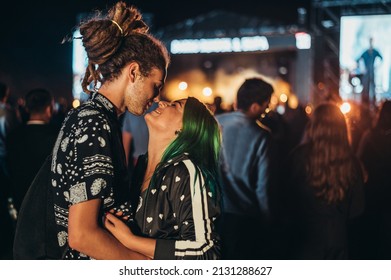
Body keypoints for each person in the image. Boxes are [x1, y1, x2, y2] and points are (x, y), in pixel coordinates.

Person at [49, 1, 170, 259]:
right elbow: (82, 235)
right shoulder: (95, 123)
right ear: (134, 72)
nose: (158, 97)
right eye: (156, 85)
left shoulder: (98, 117)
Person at [104, 96, 222, 260]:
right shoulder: (142, 165)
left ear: (185, 128)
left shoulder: (187, 171)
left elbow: (206, 252)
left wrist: (131, 240)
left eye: (175, 105)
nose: (161, 103)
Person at [282, 103, 365, 259]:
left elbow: (286, 198)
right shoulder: (352, 162)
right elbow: (357, 208)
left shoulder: (298, 157)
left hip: (304, 236)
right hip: (338, 237)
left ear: (313, 125)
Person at [215, 77, 274, 259]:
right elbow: (263, 187)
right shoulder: (262, 136)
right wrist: (268, 218)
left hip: (211, 210)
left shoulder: (214, 123)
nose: (267, 109)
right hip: (244, 216)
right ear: (255, 106)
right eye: (266, 104)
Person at [6, 88, 59, 212]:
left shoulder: (13, 136)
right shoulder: (58, 135)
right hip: (49, 201)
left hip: (21, 199)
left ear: (27, 108)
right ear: (49, 109)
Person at [356, 100, 391, 259]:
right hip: (377, 190)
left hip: (372, 190)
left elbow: (358, 160)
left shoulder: (369, 136)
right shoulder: (369, 136)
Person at [356, 37, 383, 108]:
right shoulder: (365, 52)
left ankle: (373, 102)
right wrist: (362, 68)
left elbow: (381, 58)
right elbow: (358, 59)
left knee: (373, 87)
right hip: (367, 73)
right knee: (366, 88)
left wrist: (377, 66)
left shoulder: (375, 52)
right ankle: (365, 102)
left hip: (372, 72)